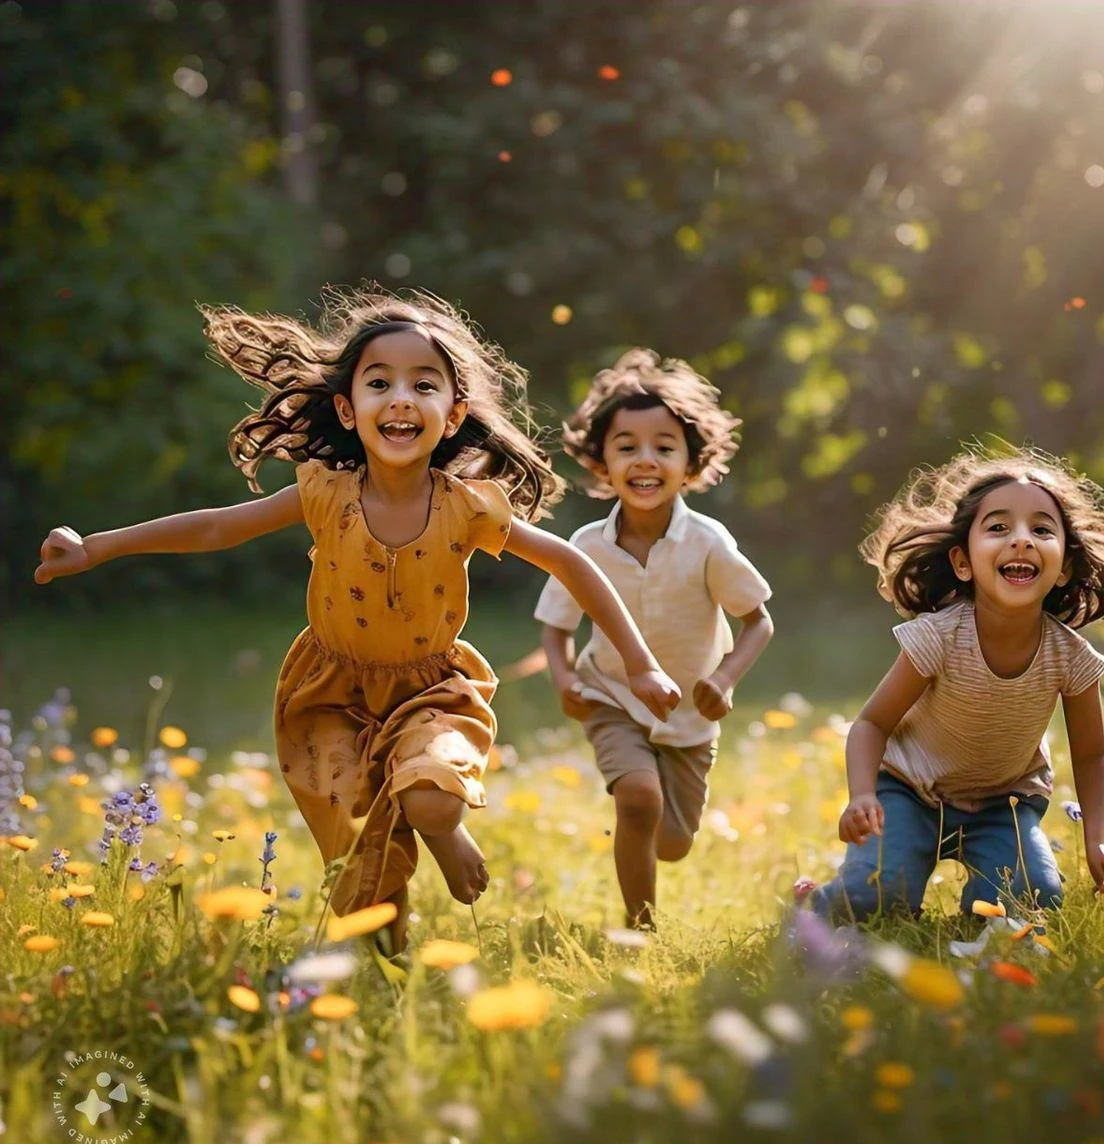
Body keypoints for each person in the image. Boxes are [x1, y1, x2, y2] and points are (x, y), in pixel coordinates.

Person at [34, 288, 680, 954]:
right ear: (348, 409)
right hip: (329, 698)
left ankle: (445, 833)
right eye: (379, 383)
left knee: (432, 799)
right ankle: (390, 972)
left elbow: (571, 562)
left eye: (423, 385)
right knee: (363, 866)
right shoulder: (324, 492)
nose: (400, 399)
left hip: (433, 692)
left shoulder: (468, 508)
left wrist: (641, 664)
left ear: (453, 415)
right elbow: (217, 528)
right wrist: (97, 547)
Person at [805, 445, 1104, 924]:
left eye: (1042, 530)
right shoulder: (939, 637)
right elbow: (871, 723)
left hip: (1003, 804)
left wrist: (1096, 842)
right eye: (999, 528)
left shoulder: (1070, 658)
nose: (1021, 540)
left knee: (1031, 900)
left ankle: (975, 920)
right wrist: (863, 794)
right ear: (963, 562)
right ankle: (816, 902)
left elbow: (1092, 756)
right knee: (873, 898)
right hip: (908, 792)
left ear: (1064, 567)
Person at [535, 349, 773, 928]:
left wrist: (724, 679)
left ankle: (654, 856)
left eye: (664, 448)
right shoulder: (585, 547)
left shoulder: (709, 544)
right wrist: (565, 680)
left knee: (673, 842)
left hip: (690, 713)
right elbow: (557, 625)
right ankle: (639, 929)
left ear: (691, 464)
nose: (645, 460)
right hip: (611, 696)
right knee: (638, 800)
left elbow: (758, 620)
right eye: (627, 447)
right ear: (603, 463)